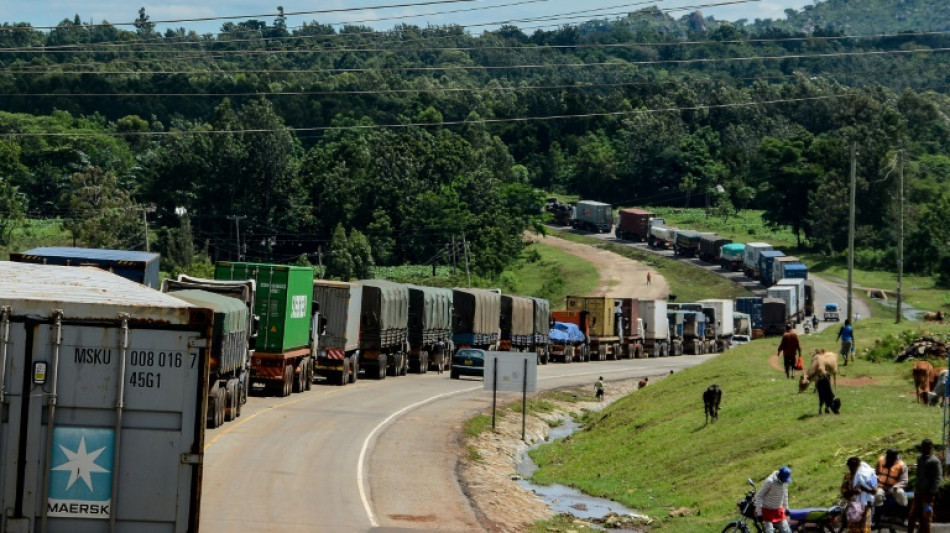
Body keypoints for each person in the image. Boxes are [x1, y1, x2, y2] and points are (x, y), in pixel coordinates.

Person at [907, 439, 943, 533]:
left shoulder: (935, 461)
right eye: (922, 446)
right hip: (918, 493)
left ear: (930, 447)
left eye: (926, 446)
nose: (923, 448)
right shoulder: (920, 458)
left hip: (928, 497)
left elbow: (937, 478)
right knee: (912, 516)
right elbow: (918, 475)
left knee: (926, 518)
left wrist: (931, 492)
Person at [840, 456, 877, 532]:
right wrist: (853, 492)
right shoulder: (847, 477)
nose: (852, 469)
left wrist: (864, 489)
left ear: (858, 466)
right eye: (850, 467)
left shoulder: (866, 476)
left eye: (854, 467)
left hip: (865, 506)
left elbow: (874, 491)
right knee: (853, 529)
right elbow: (843, 491)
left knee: (864, 528)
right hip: (852, 507)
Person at [755, 466, 792, 533]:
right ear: (780, 476)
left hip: (778, 510)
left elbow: (785, 495)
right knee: (770, 530)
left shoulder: (784, 482)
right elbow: (759, 496)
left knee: (787, 530)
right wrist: (759, 513)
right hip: (767, 510)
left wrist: (787, 508)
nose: (784, 482)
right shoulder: (770, 481)